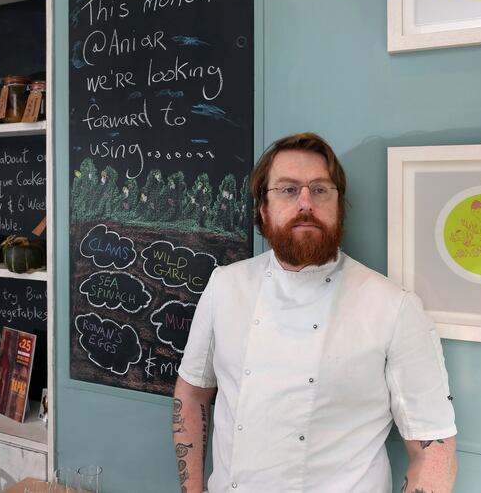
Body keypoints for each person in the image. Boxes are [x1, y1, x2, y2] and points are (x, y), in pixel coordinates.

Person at [172, 133, 457, 493]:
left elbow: (435, 448)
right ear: (263, 208)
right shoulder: (225, 286)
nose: (305, 202)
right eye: (288, 190)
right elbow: (193, 391)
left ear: (338, 205)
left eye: (320, 190)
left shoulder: (394, 307)